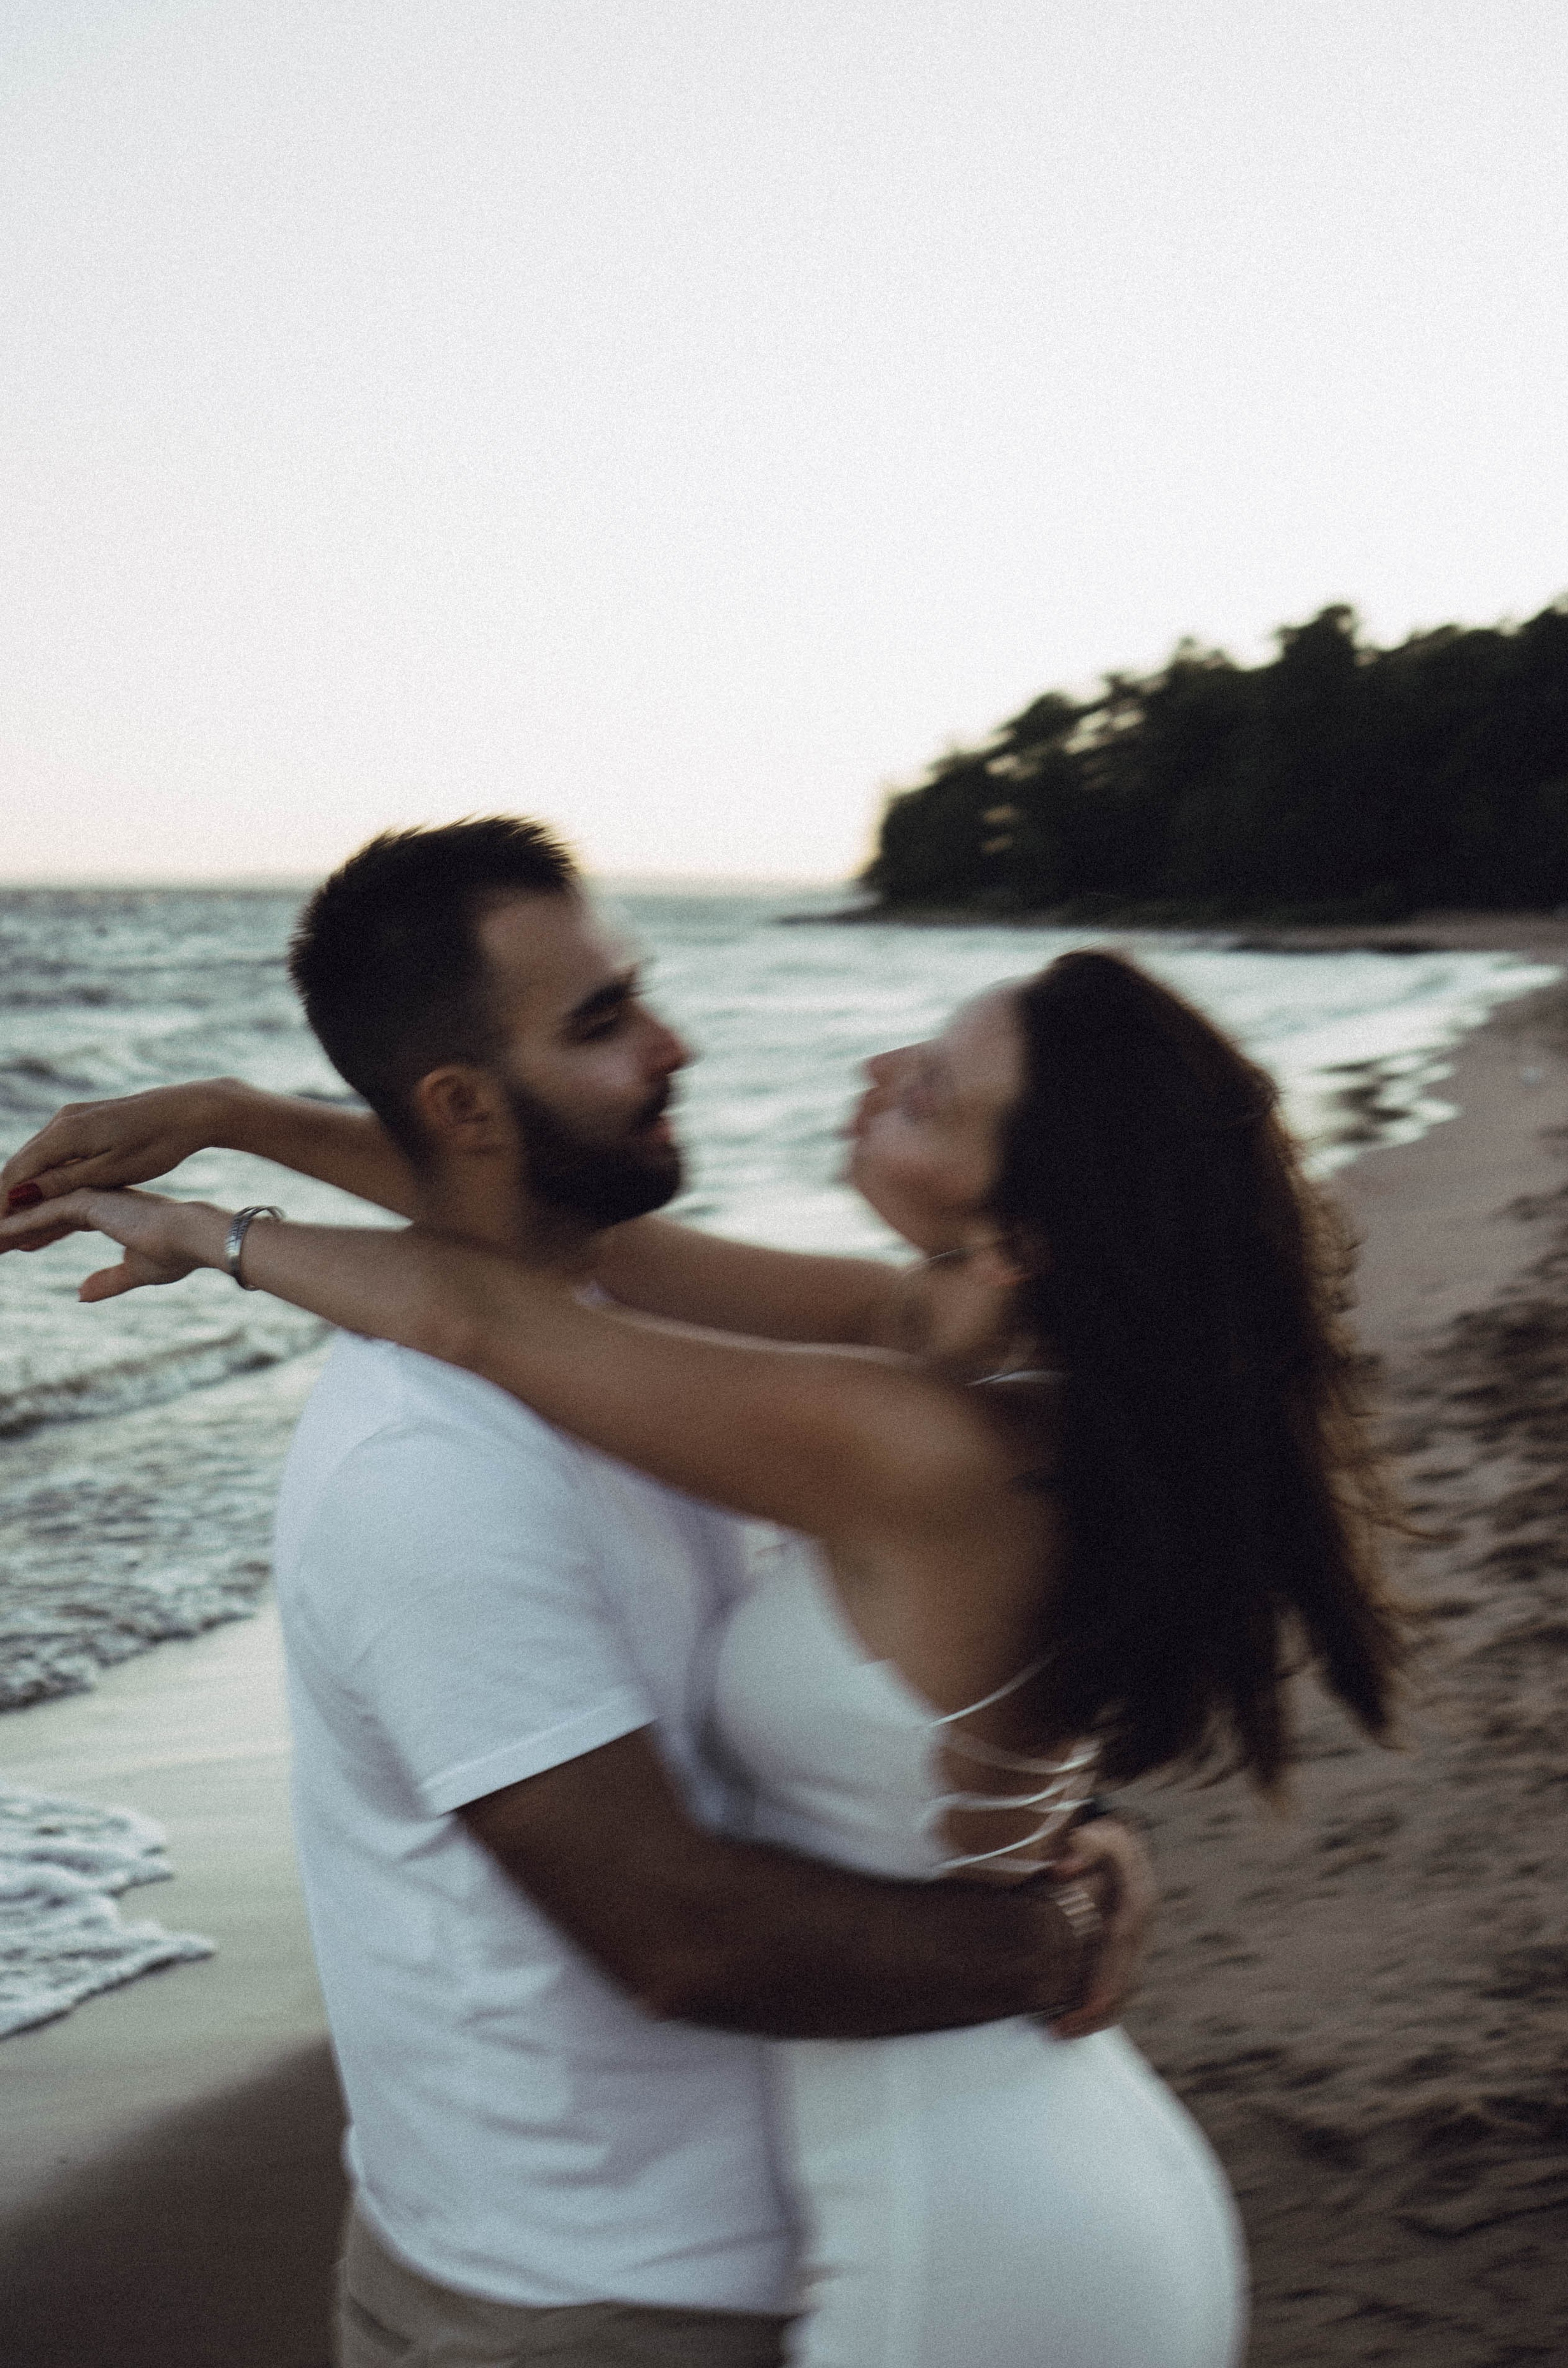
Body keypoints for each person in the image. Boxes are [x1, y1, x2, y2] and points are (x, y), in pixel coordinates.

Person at [1, 817, 1404, 2367]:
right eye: (606, 1016)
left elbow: (488, 1315)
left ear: (1015, 1235)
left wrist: (215, 1232)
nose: (875, 1070)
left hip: (969, 2214)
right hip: (1038, 2145)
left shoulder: (914, 1434)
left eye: (930, 1086)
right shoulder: (948, 1343)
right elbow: (581, 1262)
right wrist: (235, 1114)